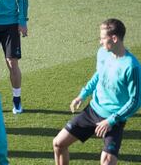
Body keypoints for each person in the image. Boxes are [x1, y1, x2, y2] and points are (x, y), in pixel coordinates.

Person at [53, 18, 141, 165]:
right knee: (58, 143)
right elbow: (99, 75)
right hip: (93, 111)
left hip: (114, 119)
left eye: (102, 38)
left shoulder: (131, 66)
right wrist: (82, 95)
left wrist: (111, 120)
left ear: (114, 38)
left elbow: (135, 100)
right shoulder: (103, 53)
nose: (100, 42)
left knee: (106, 162)